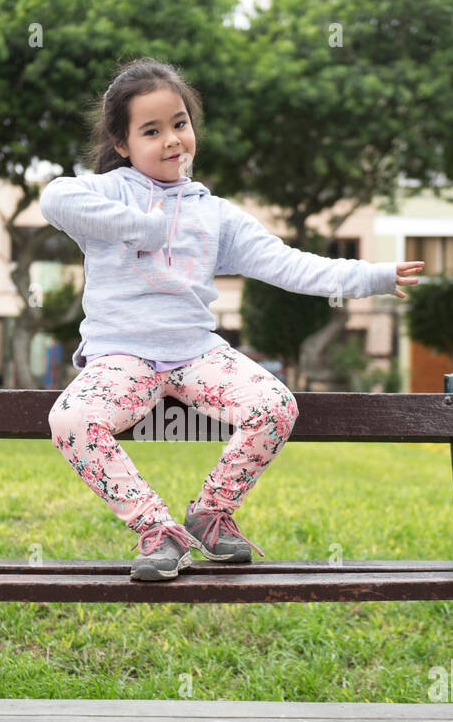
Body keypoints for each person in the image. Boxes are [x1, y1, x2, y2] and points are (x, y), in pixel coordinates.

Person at [42, 57, 423, 581]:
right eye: (151, 131)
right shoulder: (112, 192)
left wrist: (374, 276)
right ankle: (157, 530)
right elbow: (55, 197)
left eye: (179, 123)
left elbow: (290, 264)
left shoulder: (213, 213)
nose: (172, 139)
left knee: (275, 404)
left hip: (197, 353)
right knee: (70, 420)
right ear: (123, 144)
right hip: (121, 358)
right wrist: (142, 228)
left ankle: (211, 514)